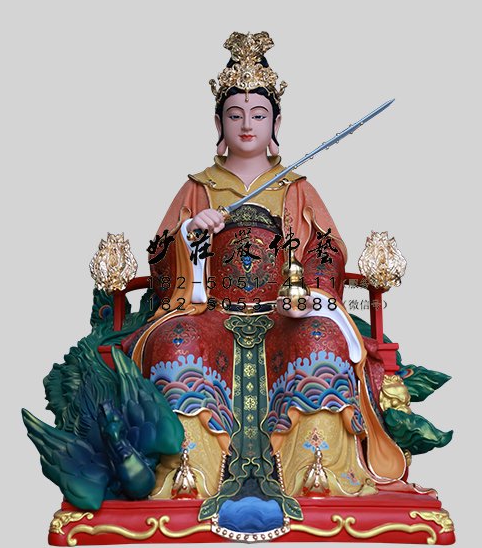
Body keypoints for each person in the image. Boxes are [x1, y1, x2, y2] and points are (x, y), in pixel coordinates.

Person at [122, 32, 406, 517]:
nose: (247, 124)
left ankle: (314, 472)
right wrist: (191, 233)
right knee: (175, 345)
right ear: (218, 123)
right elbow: (160, 258)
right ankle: (190, 474)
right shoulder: (197, 188)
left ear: (276, 122)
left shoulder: (296, 187)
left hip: (282, 311)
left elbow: (326, 249)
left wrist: (309, 292)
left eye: (258, 114)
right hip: (209, 309)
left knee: (319, 340)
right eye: (235, 115)